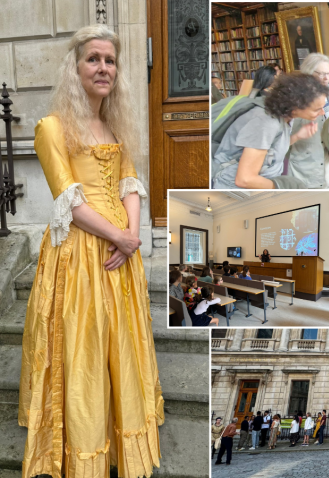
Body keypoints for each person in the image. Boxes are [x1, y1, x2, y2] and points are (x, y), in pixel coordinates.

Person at [20, 24, 165, 478]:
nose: (104, 68)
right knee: (84, 350)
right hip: (81, 255)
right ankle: (83, 449)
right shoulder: (52, 128)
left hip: (123, 254)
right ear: (76, 67)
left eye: (111, 60)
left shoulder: (113, 125)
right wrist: (119, 237)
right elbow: (70, 202)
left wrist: (133, 234)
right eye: (94, 59)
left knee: (120, 346)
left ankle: (122, 443)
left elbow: (130, 185)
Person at [212, 71, 329, 189]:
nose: (322, 113)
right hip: (235, 190)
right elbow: (244, 179)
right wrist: (282, 187)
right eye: (317, 109)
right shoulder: (266, 123)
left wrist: (297, 136)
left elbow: (269, 149)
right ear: (295, 106)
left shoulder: (285, 116)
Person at [288, 53, 329, 188]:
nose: (326, 78)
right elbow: (282, 138)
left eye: (328, 73)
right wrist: (298, 136)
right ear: (309, 73)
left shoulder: (327, 95)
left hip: (324, 157)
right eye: (321, 74)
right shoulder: (296, 98)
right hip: (305, 163)